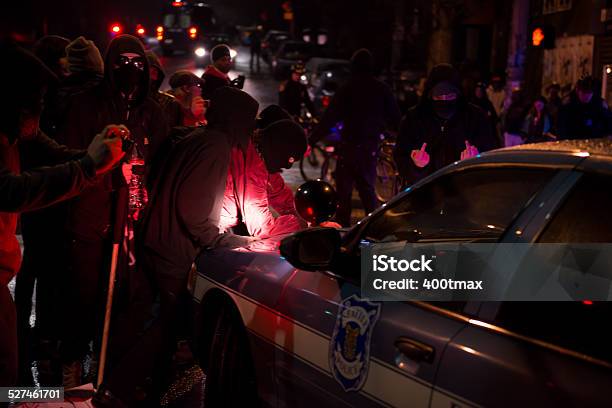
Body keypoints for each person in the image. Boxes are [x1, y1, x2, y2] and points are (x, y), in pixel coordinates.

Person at [93, 87, 259, 408]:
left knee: (140, 314)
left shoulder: (199, 137)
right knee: (172, 322)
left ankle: (120, 384)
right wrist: (224, 240)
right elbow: (193, 210)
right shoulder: (217, 146)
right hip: (174, 248)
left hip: (155, 238)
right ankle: (118, 390)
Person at [0, 42, 125, 390]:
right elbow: (10, 191)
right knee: (5, 371)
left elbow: (53, 151)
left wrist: (97, 157)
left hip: (4, 265)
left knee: (9, 368)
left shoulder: (15, 129)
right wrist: (87, 166)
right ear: (14, 100)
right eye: (37, 100)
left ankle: (20, 393)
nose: (43, 109)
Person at [55, 34, 169, 387]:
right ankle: (71, 363)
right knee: (83, 294)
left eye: (138, 62)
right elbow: (74, 160)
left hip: (133, 223)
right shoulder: (86, 105)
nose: (131, 69)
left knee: (122, 299)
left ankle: (105, 369)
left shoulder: (153, 111)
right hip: (91, 219)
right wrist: (106, 173)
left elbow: (163, 160)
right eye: (123, 61)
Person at [311, 49, 401, 226]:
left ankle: (344, 231)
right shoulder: (382, 89)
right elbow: (396, 119)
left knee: (343, 191)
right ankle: (372, 228)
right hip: (369, 147)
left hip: (349, 146)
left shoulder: (347, 88)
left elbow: (330, 117)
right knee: (367, 189)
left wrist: (312, 139)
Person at [394, 63, 498, 186]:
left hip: (465, 193)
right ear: (430, 95)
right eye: (439, 97)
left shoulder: (475, 118)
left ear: (458, 94)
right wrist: (417, 166)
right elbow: (400, 159)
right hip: (424, 195)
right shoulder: (414, 118)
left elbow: (491, 157)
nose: (444, 100)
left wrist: (473, 162)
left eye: (449, 96)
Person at [220, 118, 307, 237]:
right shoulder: (253, 167)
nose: (288, 166)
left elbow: (278, 191)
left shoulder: (256, 150)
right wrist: (302, 224)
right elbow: (262, 228)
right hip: (201, 230)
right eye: (290, 159)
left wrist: (305, 215)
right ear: (279, 149)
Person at [557, 75, 612, 140]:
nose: (587, 96)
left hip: (594, 141)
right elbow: (561, 126)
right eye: (584, 92)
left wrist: (608, 135)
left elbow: (609, 122)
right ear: (578, 91)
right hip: (573, 141)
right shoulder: (568, 104)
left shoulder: (599, 104)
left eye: (589, 92)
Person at [146, 50, 183, 127]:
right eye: (147, 72)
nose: (152, 77)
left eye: (154, 72)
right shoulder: (129, 103)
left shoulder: (169, 103)